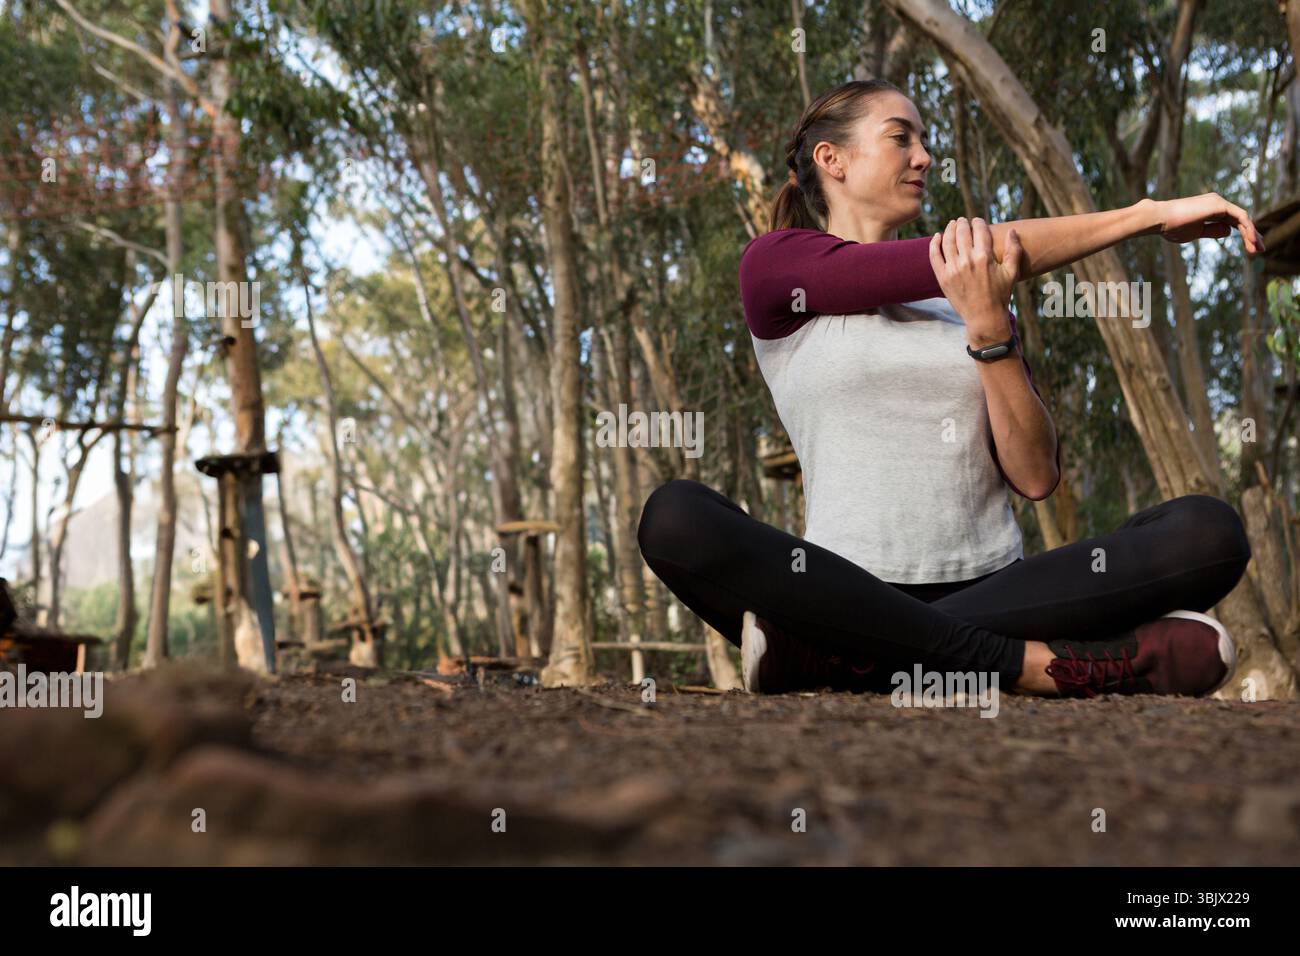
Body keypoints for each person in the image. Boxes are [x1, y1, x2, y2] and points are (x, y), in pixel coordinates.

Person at [636, 79, 1264, 699]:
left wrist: (990, 327)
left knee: (1209, 534)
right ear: (833, 161)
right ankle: (1033, 665)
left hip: (998, 587)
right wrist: (1148, 216)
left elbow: (1035, 475)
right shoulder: (776, 268)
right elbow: (967, 255)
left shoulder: (968, 297)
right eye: (900, 138)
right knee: (675, 517)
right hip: (838, 588)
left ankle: (836, 657)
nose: (924, 157)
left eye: (925, 141)